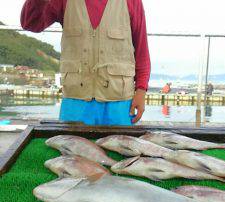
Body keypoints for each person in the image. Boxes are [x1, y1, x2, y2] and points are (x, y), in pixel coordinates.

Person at [21, 0, 151, 126]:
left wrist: (141, 90)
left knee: (119, 146)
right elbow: (30, 23)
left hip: (120, 101)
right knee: (71, 146)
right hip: (75, 99)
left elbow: (142, 51)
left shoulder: (133, 1)